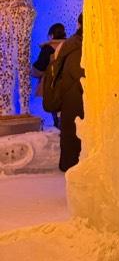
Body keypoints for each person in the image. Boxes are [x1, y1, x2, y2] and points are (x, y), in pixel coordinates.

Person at [51, 12, 85, 172]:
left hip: (67, 98)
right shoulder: (83, 46)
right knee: (76, 137)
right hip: (78, 97)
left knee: (70, 135)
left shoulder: (68, 44)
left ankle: (70, 167)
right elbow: (79, 73)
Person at [32, 23, 67, 127]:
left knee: (55, 110)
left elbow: (40, 67)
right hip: (68, 84)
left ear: (51, 35)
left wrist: (31, 71)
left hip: (52, 85)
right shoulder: (69, 45)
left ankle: (59, 128)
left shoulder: (48, 48)